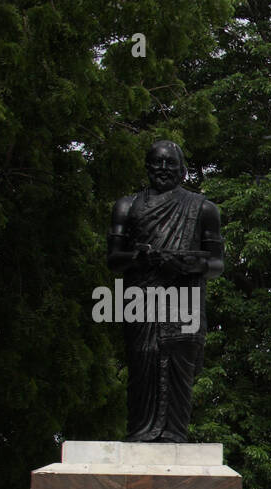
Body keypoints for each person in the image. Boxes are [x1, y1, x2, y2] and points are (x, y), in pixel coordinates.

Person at [106, 140, 224, 443]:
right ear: (147, 167)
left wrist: (187, 264)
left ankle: (174, 433)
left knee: (179, 365)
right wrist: (140, 257)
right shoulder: (127, 205)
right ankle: (141, 431)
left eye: (170, 164)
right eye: (157, 163)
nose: (163, 169)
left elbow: (216, 263)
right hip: (141, 298)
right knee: (142, 359)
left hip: (183, 298)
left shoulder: (203, 208)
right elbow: (114, 259)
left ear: (182, 170)